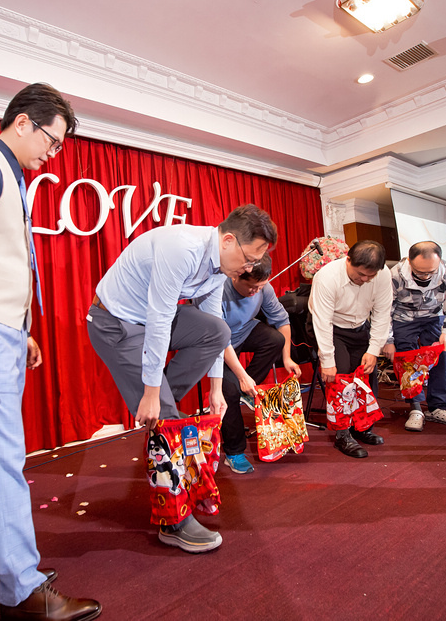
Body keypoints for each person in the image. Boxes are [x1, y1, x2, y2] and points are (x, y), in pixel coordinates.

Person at [0, 83, 101, 620]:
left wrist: (19, 327)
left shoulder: (8, 174)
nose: (52, 155)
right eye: (52, 142)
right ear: (24, 122)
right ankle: (24, 592)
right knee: (3, 457)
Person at [87, 204, 277, 552]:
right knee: (165, 413)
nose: (250, 269)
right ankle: (172, 522)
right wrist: (150, 391)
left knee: (216, 329)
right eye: (249, 259)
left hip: (149, 322)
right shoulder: (182, 248)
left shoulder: (220, 263)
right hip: (116, 324)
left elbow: (213, 324)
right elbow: (159, 319)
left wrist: (216, 389)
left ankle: (162, 418)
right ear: (229, 240)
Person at [219, 253, 302, 474]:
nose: (256, 292)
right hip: (217, 344)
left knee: (275, 339)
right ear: (237, 277)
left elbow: (282, 320)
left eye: (260, 286)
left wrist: (287, 358)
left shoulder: (263, 288)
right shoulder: (219, 289)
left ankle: (245, 391)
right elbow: (222, 340)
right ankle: (234, 452)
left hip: (243, 332)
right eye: (252, 287)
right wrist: (240, 377)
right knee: (228, 389)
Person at [309, 240, 392, 458]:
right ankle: (342, 434)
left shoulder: (383, 275)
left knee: (366, 374)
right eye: (360, 274)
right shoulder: (326, 277)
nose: (364, 280)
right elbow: (322, 322)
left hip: (359, 326)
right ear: (348, 260)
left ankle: (362, 428)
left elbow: (382, 314)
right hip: (331, 327)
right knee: (341, 378)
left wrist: (374, 350)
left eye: (370, 276)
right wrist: (327, 361)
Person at [381, 241, 446, 432]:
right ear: (409, 262)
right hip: (403, 319)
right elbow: (384, 309)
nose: (426, 276)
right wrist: (388, 340)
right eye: (420, 272)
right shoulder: (394, 276)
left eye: (430, 272)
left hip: (434, 317)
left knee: (442, 355)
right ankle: (416, 408)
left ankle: (437, 407)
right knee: (407, 360)